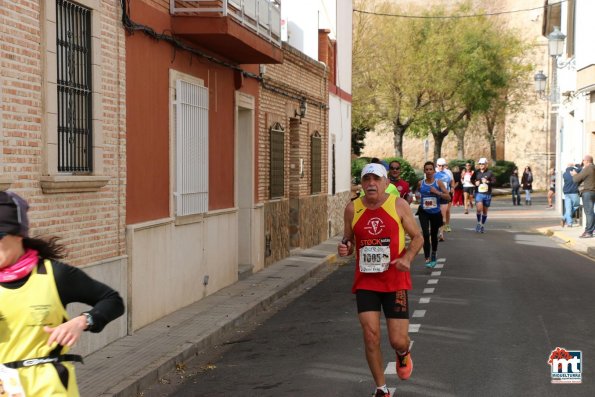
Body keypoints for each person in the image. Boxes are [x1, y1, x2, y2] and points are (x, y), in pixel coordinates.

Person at [0, 191, 125, 396]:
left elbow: (112, 300)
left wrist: (83, 321)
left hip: (49, 388)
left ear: (17, 234)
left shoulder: (55, 275)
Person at [338, 163, 423, 397]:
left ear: (386, 183)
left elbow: (417, 237)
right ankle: (381, 388)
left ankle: (403, 353)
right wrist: (345, 247)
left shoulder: (398, 205)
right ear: (362, 184)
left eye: (376, 179)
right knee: (370, 335)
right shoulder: (351, 208)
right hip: (366, 281)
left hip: (395, 280)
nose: (371, 184)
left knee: (397, 340)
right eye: (367, 180)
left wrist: (408, 257)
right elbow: (348, 239)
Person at [416, 161, 450, 269]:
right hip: (423, 212)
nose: (429, 171)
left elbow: (448, 197)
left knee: (434, 235)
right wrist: (417, 197)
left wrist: (437, 192)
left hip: (435, 212)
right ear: (424, 171)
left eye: (431, 169)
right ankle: (427, 258)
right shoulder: (420, 183)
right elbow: (417, 193)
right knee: (425, 234)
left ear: (434, 171)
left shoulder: (438, 182)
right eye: (427, 169)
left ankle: (434, 253)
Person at [571, 155, 595, 238]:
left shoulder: (588, 168)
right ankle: (590, 229)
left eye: (583, 161)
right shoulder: (593, 167)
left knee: (589, 212)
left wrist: (574, 174)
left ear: (587, 161)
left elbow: (576, 179)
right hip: (593, 192)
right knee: (591, 212)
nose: (583, 162)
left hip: (588, 192)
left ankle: (589, 232)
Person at [474, 158, 495, 233]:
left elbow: (494, 181)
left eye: (483, 164)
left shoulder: (490, 172)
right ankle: (478, 223)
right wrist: (475, 182)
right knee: (479, 209)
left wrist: (487, 181)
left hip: (487, 194)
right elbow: (471, 179)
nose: (481, 165)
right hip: (478, 193)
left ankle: (482, 225)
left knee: (485, 211)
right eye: (480, 164)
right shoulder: (476, 172)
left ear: (486, 164)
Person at [434, 158, 453, 239]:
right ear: (436, 165)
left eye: (443, 166)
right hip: (435, 195)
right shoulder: (433, 172)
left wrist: (452, 187)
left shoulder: (448, 172)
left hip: (445, 195)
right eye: (439, 166)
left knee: (442, 214)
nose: (441, 167)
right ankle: (435, 229)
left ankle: (441, 233)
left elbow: (452, 181)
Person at [562, 162, 580, 227]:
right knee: (576, 205)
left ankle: (569, 223)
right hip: (574, 192)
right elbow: (581, 169)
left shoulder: (564, 174)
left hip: (566, 192)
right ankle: (564, 217)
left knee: (568, 208)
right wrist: (577, 165)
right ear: (572, 167)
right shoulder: (575, 171)